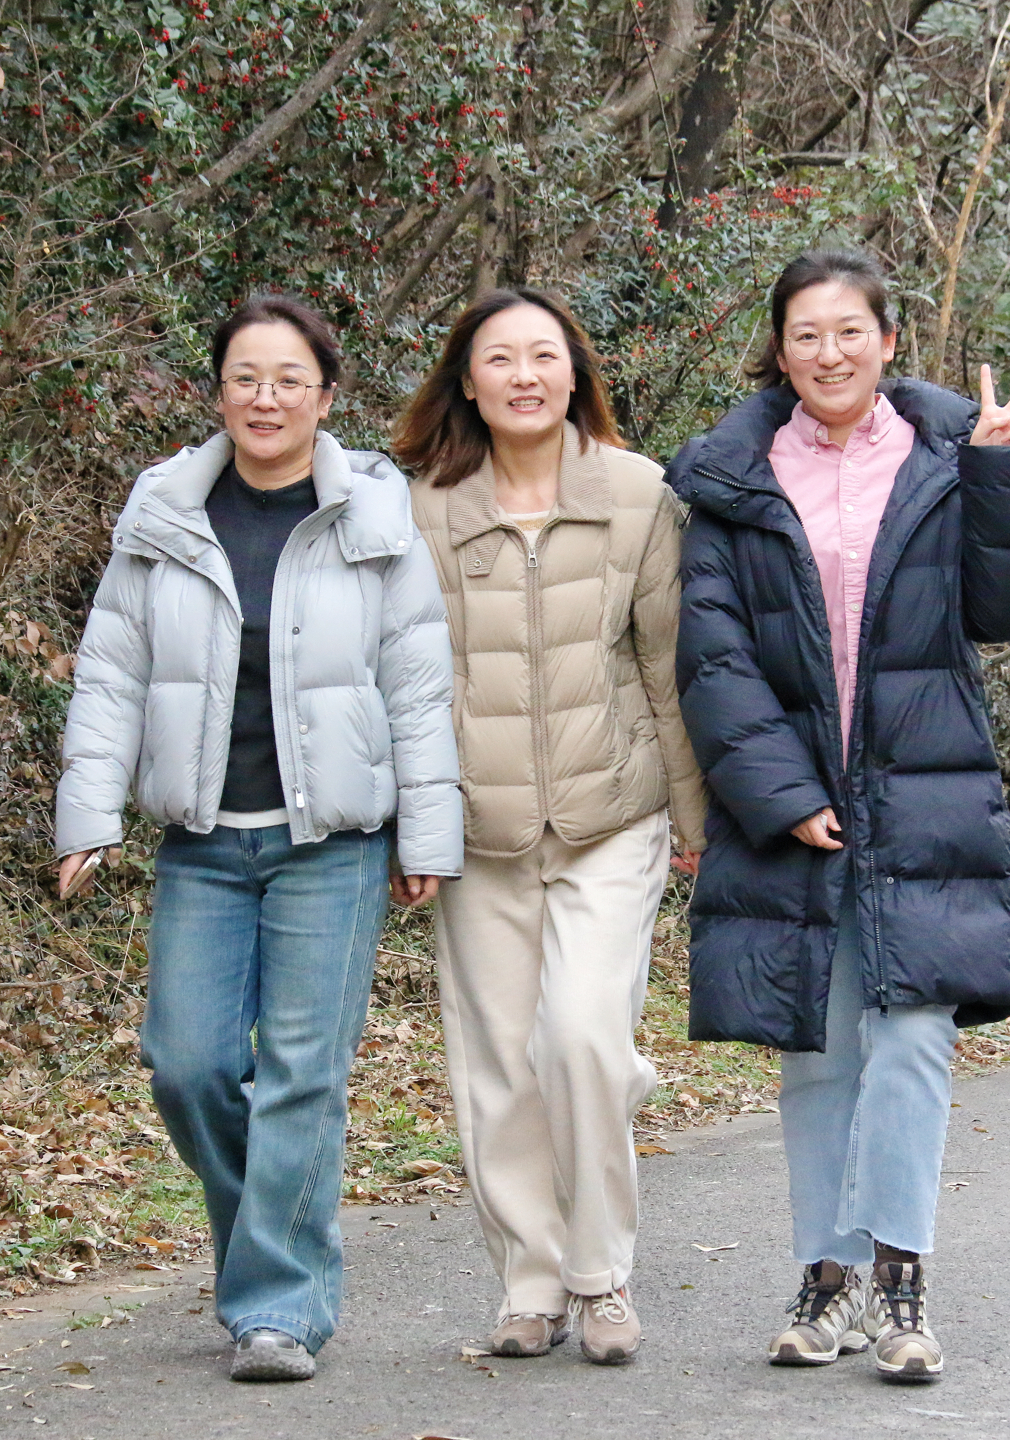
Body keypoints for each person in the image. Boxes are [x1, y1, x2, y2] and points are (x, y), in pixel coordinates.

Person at [669, 250, 1010, 1383]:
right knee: (818, 1048)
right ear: (780, 350)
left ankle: (898, 1278)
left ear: (889, 342)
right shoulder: (734, 476)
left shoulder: (949, 457)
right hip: (797, 802)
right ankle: (827, 1277)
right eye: (806, 334)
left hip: (924, 789)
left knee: (911, 1039)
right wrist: (783, 796)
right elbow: (714, 654)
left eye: (851, 331)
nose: (829, 352)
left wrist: (1002, 475)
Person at [53, 295, 462, 1383]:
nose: (265, 398)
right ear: (219, 393)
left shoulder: (374, 517)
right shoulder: (163, 513)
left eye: (289, 380)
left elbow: (418, 686)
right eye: (246, 378)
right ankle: (267, 1248)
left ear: (326, 397)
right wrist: (88, 816)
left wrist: (427, 834)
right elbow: (112, 674)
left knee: (299, 1076)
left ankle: (278, 1306)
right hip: (203, 841)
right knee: (186, 1065)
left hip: (332, 842)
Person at [393, 288, 706, 1366]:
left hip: (610, 811)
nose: (523, 376)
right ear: (466, 380)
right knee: (498, 1068)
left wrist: (695, 813)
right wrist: (415, 825)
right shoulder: (424, 508)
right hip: (476, 824)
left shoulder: (638, 493)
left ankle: (601, 1275)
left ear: (575, 373)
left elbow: (666, 663)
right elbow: (405, 680)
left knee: (580, 1037)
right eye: (499, 358)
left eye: (543, 356)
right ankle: (530, 1283)